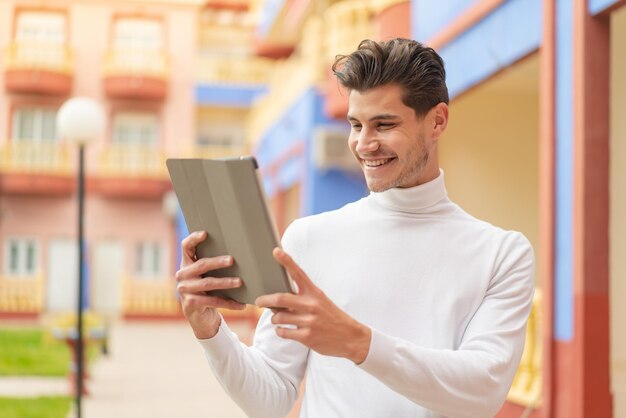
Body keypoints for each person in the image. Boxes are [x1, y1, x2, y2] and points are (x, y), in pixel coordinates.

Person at [175, 38, 535, 418]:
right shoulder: (309, 238)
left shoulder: (502, 254)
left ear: (437, 121)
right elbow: (271, 399)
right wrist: (211, 331)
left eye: (384, 124)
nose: (364, 144)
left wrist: (356, 342)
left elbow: (481, 394)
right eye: (355, 124)